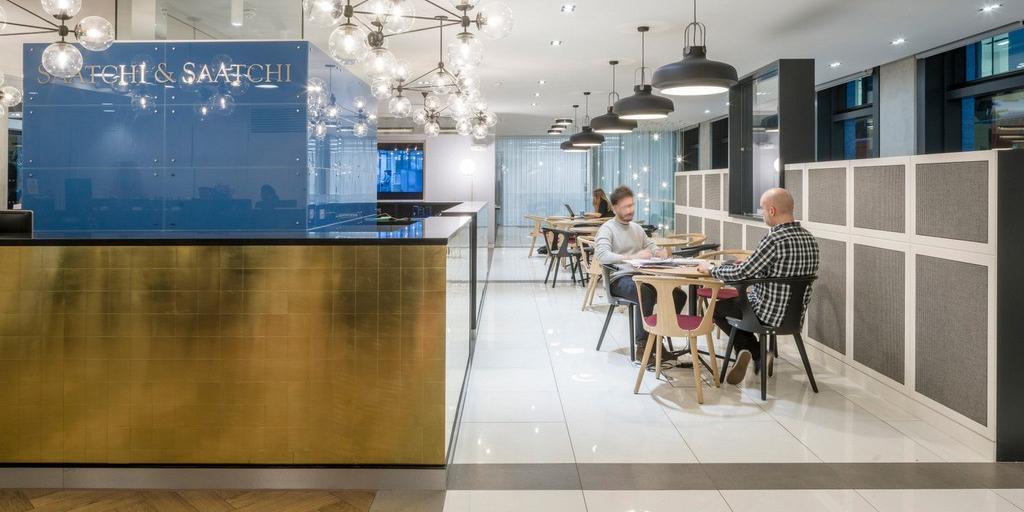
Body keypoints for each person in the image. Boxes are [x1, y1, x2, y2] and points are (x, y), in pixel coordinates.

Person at [697, 188, 820, 384]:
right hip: (794, 316)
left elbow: (742, 272)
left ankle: (755, 352)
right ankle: (753, 353)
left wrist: (711, 269)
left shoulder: (775, 239)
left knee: (715, 308)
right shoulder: (809, 239)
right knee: (734, 304)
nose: (762, 214)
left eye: (762, 210)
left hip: (765, 312)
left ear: (772, 210)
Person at [595, 186, 685, 363]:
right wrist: (632, 257)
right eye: (625, 207)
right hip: (619, 279)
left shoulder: (636, 228)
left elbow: (651, 246)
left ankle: (657, 339)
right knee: (644, 292)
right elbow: (602, 255)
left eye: (632, 205)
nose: (630, 210)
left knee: (678, 295)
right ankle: (642, 346)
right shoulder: (607, 229)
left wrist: (659, 252)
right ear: (614, 208)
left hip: (641, 276)